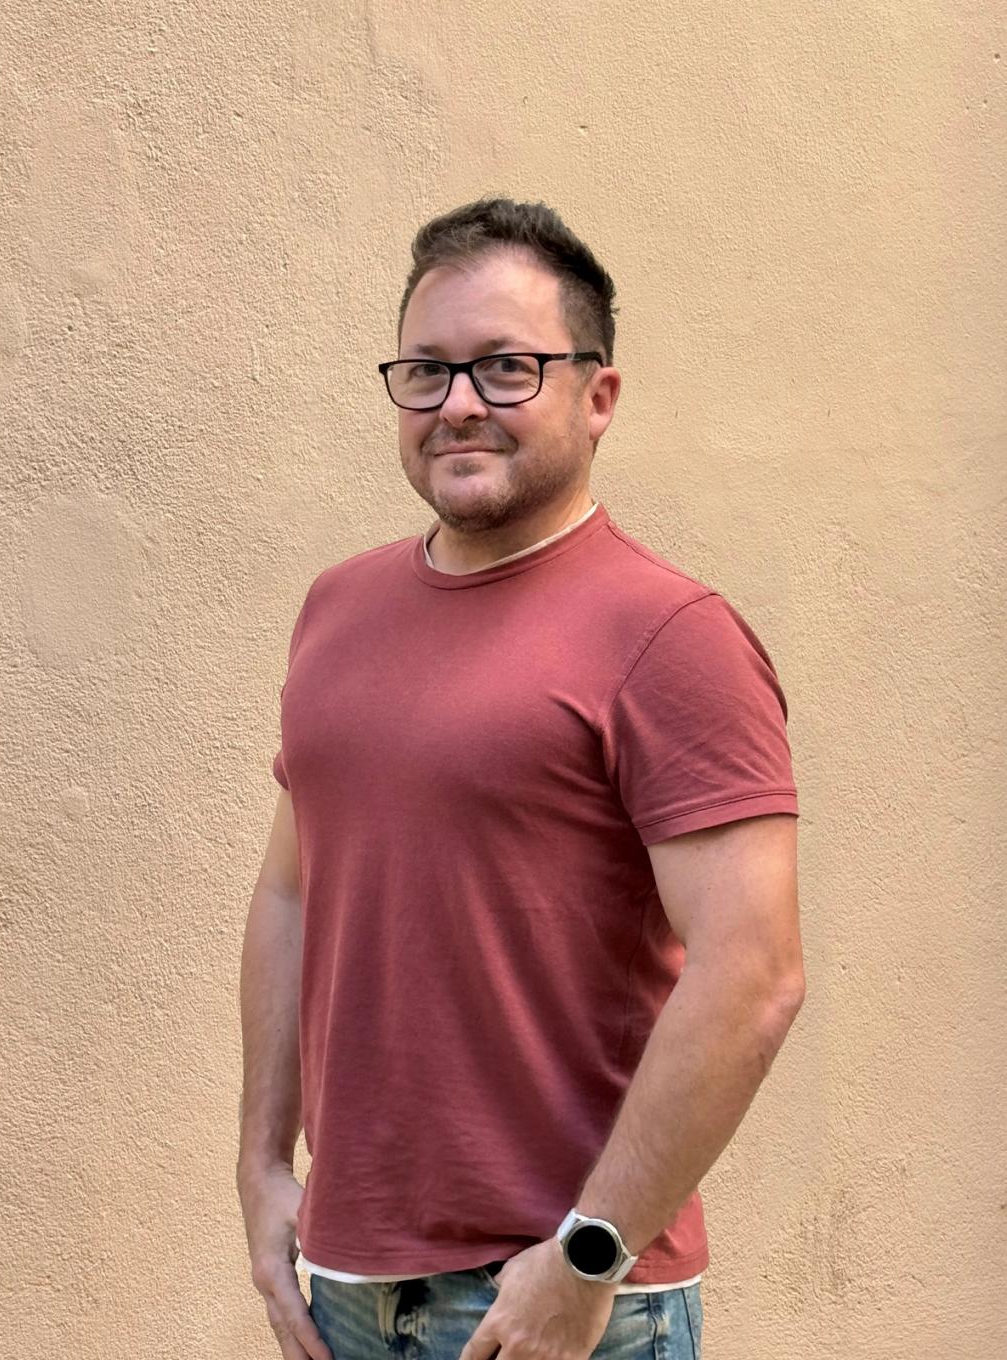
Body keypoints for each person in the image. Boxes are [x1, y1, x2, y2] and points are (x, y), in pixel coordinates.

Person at [237, 198, 804, 1360]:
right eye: (427, 370)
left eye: (507, 367)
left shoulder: (671, 635)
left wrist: (589, 1255)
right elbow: (292, 894)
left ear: (598, 396)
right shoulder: (337, 608)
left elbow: (755, 974)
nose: (457, 403)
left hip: (559, 1302)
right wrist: (259, 1166)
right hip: (346, 1290)